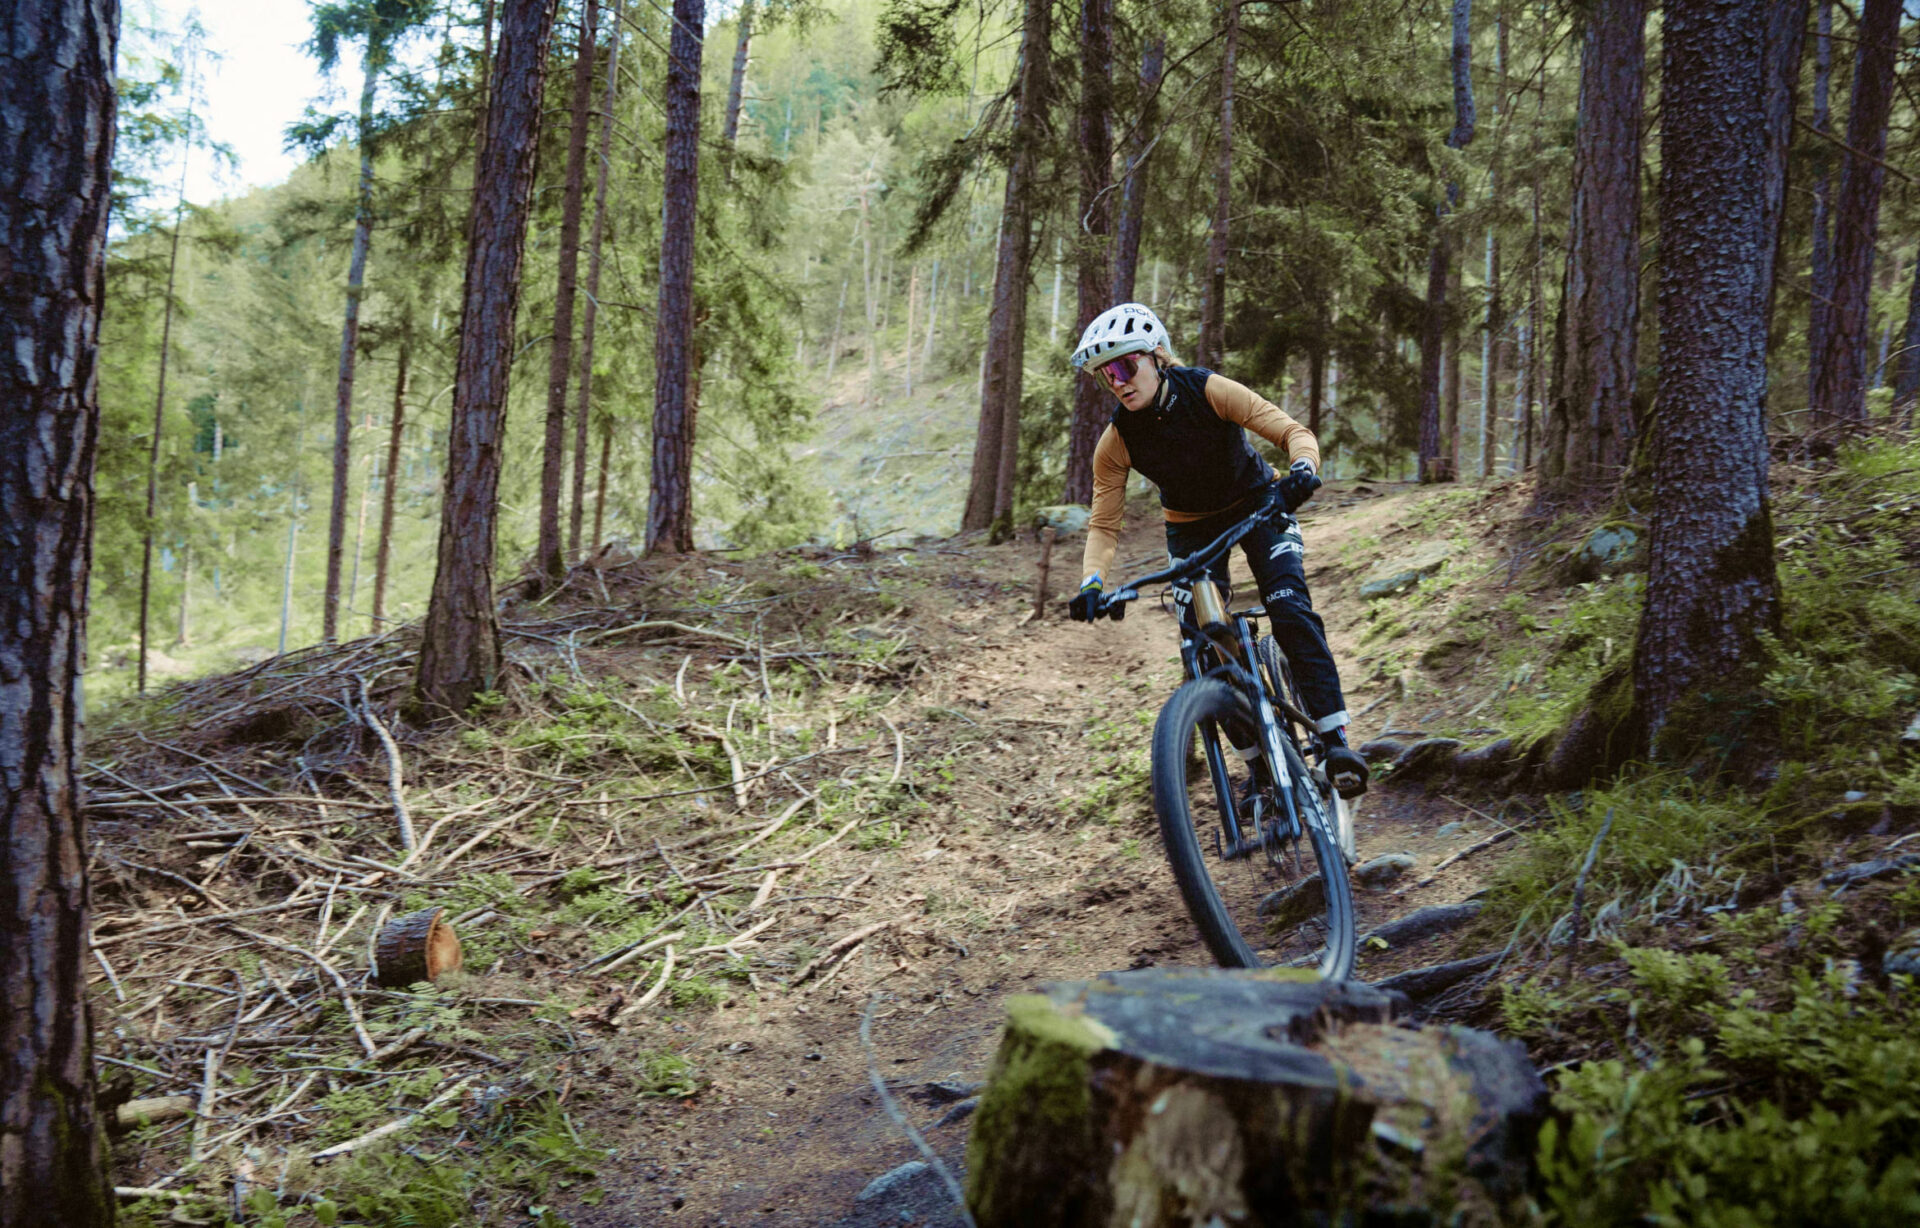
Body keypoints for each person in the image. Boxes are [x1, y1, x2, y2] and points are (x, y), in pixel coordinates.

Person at [1064, 302, 1368, 797]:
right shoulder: (1116, 441)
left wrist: (1303, 471)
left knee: (1289, 609)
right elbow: (1103, 524)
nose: (1116, 381)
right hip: (1191, 532)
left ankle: (1334, 742)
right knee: (1205, 650)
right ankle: (1260, 768)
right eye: (1105, 375)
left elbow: (1294, 432)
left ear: (1157, 355)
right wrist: (1092, 582)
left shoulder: (1207, 390)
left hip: (1259, 505)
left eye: (1123, 366)